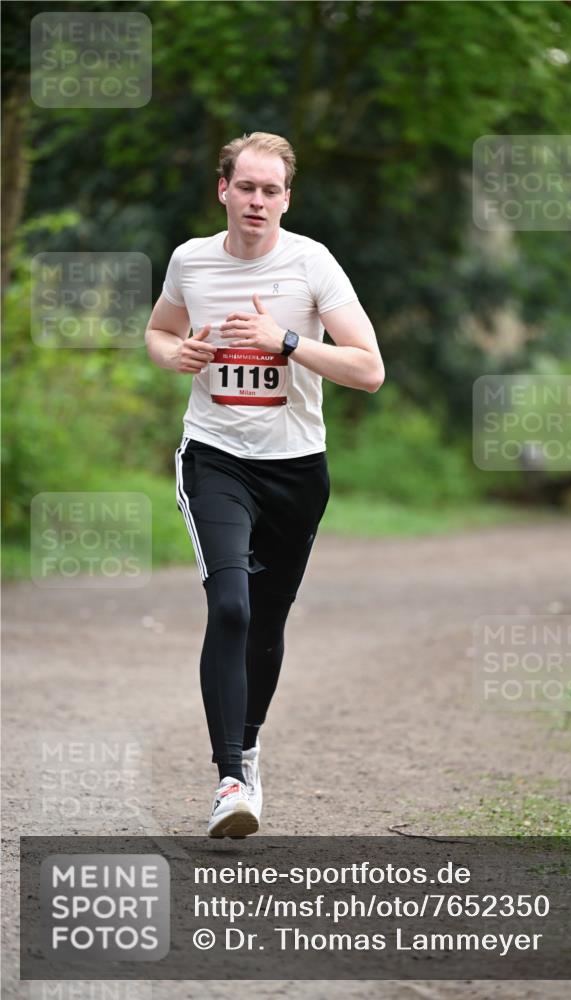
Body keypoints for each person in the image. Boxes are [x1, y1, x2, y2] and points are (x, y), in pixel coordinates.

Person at [145, 132, 384, 838]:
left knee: (267, 622)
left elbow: (368, 369)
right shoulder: (190, 260)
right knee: (231, 607)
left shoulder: (311, 263)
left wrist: (284, 341)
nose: (256, 200)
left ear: (286, 199)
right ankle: (228, 780)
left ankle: (246, 750)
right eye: (245, 187)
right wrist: (177, 354)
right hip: (215, 457)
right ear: (223, 190)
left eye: (270, 190)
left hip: (296, 469)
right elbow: (158, 332)